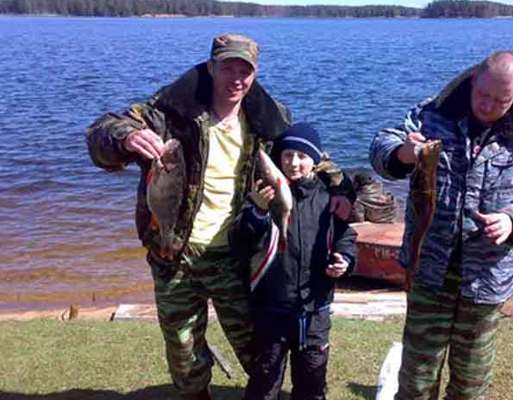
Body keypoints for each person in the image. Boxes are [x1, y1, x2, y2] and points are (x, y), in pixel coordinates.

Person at [86, 34, 353, 400]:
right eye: (228, 68)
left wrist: (342, 190)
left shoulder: (265, 119)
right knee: (185, 358)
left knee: (258, 350)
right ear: (211, 67)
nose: (236, 79)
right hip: (173, 254)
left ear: (255, 74)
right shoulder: (168, 112)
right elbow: (100, 135)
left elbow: (310, 157)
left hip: (234, 255)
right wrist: (126, 137)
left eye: (245, 71)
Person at [369, 51, 513, 399]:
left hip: (487, 278)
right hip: (428, 270)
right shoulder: (431, 115)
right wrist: (403, 153)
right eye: (482, 95)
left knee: (470, 384)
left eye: (500, 100)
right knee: (416, 379)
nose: (487, 106)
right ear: (474, 80)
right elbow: (380, 147)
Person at [230, 123, 358, 400]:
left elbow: (345, 236)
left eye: (302, 156)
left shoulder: (328, 198)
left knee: (312, 378)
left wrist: (345, 260)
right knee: (265, 378)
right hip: (271, 306)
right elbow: (239, 241)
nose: (294, 163)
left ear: (316, 160)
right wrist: (257, 211)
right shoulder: (262, 193)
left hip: (314, 307)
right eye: (287, 155)